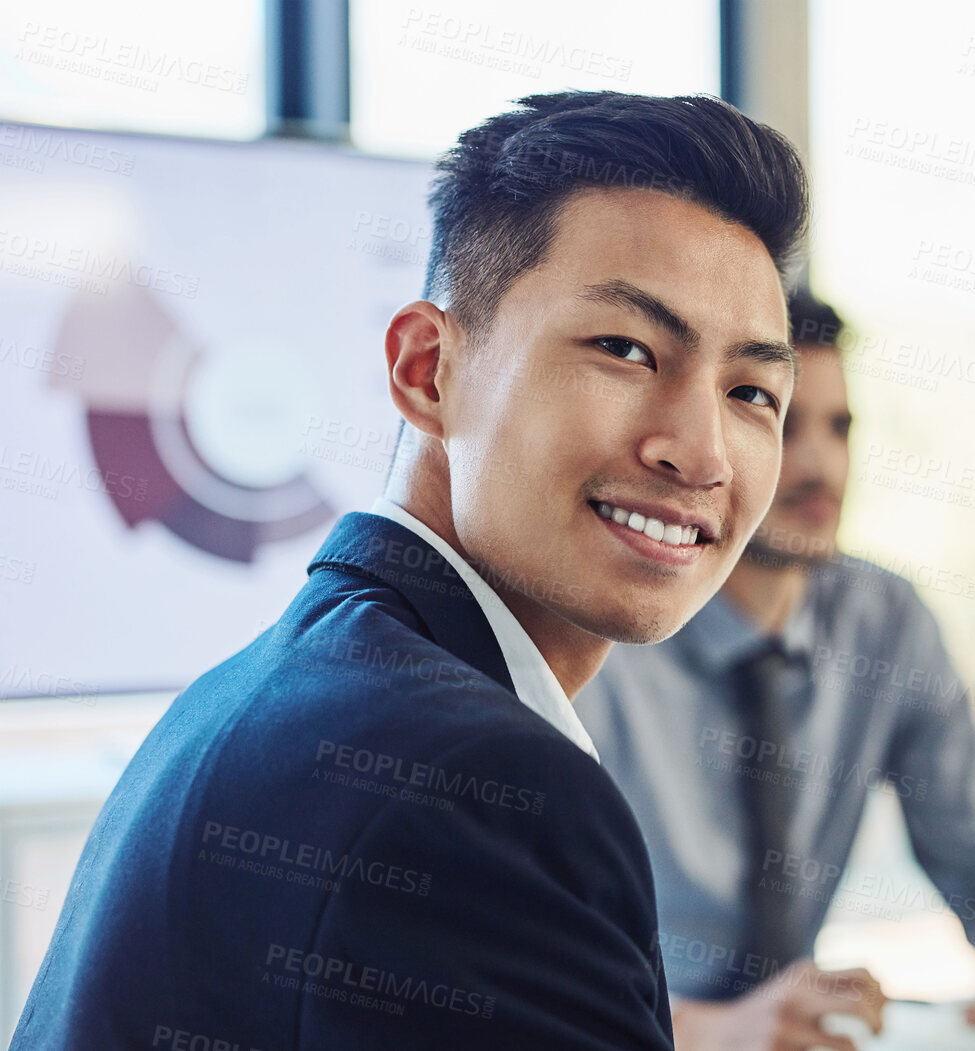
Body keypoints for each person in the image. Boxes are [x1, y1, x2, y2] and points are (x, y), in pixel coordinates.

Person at [10, 91, 807, 1050]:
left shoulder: (275, 687)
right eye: (625, 349)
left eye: (750, 390)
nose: (702, 451)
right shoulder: (478, 783)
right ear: (428, 369)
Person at [575, 290, 975, 1051]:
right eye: (780, 421)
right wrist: (709, 1033)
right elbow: (521, 972)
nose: (820, 464)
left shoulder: (885, 623)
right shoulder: (599, 635)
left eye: (840, 427)